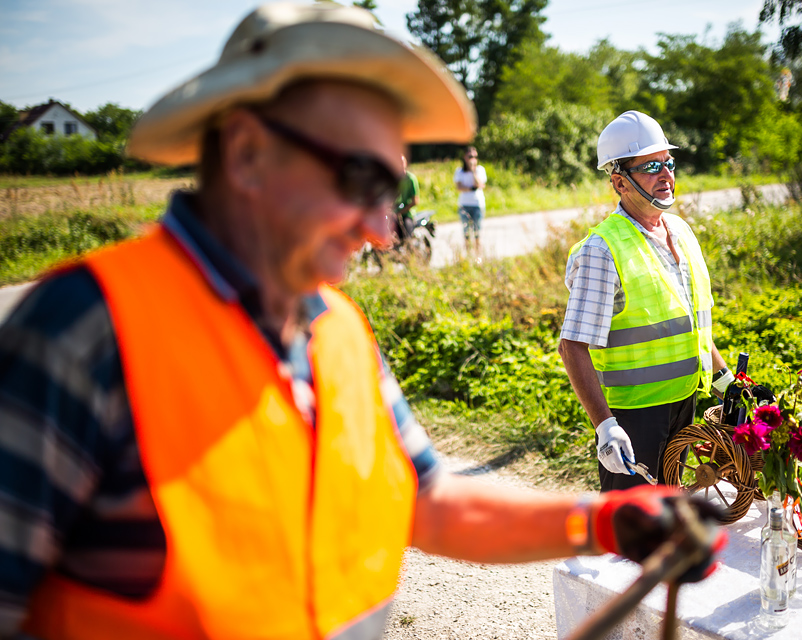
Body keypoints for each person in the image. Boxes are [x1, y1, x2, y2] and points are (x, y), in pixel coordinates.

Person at [0, 7, 725, 638]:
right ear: (248, 153)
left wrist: (604, 523)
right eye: (361, 182)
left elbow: (428, 502)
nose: (382, 230)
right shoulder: (81, 333)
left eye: (394, 187)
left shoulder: (338, 328)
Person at [558, 111, 736, 493]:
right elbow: (572, 346)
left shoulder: (682, 232)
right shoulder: (602, 250)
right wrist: (605, 427)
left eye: (668, 163)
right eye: (652, 166)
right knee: (630, 525)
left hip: (684, 403)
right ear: (619, 182)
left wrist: (726, 380)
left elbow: (691, 324)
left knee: (668, 511)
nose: (666, 174)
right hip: (633, 417)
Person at [454, 145, 486, 256]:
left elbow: (479, 184)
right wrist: (471, 188)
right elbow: (459, 187)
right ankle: (468, 256)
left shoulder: (480, 170)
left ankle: (478, 257)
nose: (473, 159)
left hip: (477, 204)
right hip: (464, 204)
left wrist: (473, 171)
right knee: (466, 233)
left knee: (477, 233)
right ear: (465, 157)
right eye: (470, 156)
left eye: (475, 157)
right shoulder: (459, 171)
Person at [393, 154, 419, 242]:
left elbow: (415, 201)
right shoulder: (392, 179)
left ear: (405, 163)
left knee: (406, 237)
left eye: (401, 162)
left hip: (406, 214)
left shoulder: (410, 179)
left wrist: (400, 212)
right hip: (393, 214)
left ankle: (409, 247)